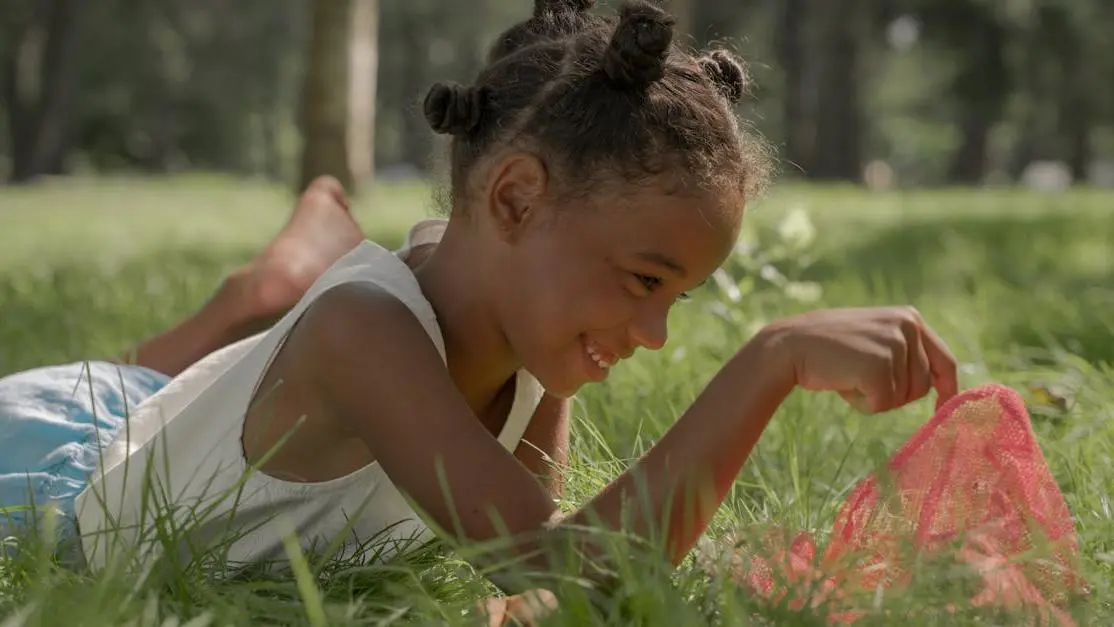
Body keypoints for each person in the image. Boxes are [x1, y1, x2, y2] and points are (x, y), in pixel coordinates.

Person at [1, 0, 960, 621]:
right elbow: (576, 565)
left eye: (678, 296)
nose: (658, 332)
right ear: (512, 198)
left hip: (167, 424)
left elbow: (541, 570)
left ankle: (270, 289)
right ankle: (263, 291)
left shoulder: (527, 332)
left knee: (163, 398)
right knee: (135, 398)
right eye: (642, 280)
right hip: (47, 473)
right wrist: (773, 358)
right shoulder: (365, 334)